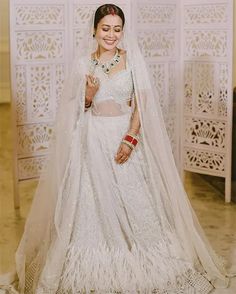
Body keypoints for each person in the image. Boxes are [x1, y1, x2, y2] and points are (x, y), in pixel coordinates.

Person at [0, 3, 233, 294]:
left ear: (123, 31)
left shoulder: (132, 59)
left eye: (117, 29)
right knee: (88, 204)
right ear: (95, 30)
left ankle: (145, 256)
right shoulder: (84, 63)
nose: (111, 35)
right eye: (105, 28)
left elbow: (142, 104)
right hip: (92, 140)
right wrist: (87, 96)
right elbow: (73, 109)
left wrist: (130, 139)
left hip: (124, 137)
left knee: (135, 203)